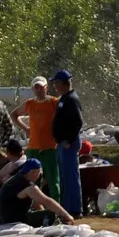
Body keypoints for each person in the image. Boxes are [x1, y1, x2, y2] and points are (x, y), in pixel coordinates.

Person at [13, 76, 59, 200]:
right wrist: (25, 128)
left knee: (53, 180)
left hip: (50, 147)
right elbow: (14, 114)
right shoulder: (30, 103)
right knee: (32, 180)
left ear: (46, 88)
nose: (39, 90)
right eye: (36, 87)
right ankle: (35, 206)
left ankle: (56, 208)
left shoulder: (54, 102)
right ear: (33, 89)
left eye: (41, 87)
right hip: (33, 147)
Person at [0, 158, 75, 228]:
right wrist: (67, 215)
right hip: (14, 222)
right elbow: (47, 201)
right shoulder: (28, 186)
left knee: (43, 213)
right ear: (33, 172)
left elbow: (37, 203)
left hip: (2, 221)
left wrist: (41, 212)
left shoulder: (15, 180)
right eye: (39, 172)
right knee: (52, 214)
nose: (40, 175)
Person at [51, 70, 84, 218]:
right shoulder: (64, 98)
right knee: (64, 176)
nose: (55, 86)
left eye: (57, 83)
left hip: (68, 144)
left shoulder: (71, 99)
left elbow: (78, 122)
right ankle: (66, 208)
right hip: (62, 143)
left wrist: (69, 141)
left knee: (71, 176)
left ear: (64, 83)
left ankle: (75, 209)